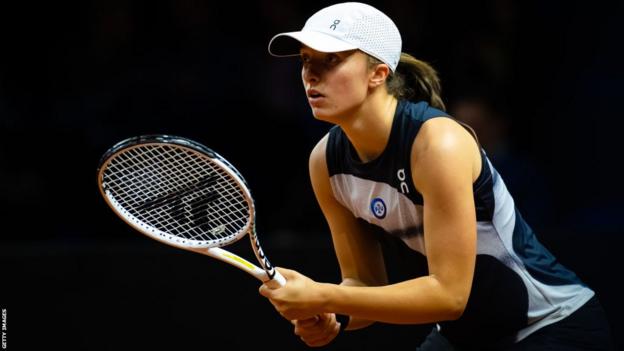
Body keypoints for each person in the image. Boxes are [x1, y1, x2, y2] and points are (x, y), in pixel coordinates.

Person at [259, 2, 613, 350]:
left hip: (551, 326)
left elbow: (449, 295)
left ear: (378, 73)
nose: (311, 75)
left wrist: (321, 295)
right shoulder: (325, 162)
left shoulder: (438, 144)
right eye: (306, 60)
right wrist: (336, 315)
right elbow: (362, 282)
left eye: (331, 60)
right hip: (465, 336)